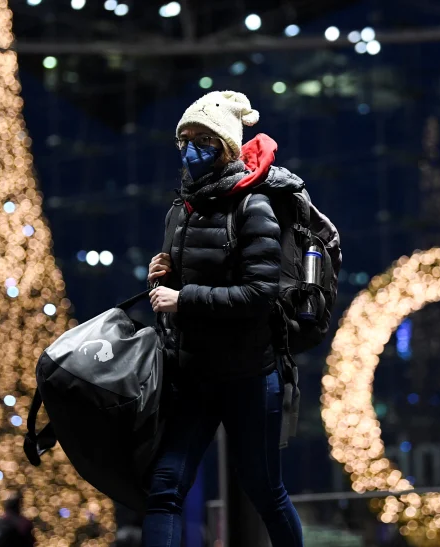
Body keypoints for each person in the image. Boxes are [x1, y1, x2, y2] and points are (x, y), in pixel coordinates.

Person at [144, 90, 303, 547]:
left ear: (228, 148)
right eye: (185, 140)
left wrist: (184, 298)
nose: (192, 149)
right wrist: (160, 277)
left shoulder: (253, 208)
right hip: (193, 375)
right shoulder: (182, 209)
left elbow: (259, 295)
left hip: (249, 376)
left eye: (203, 141)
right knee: (165, 490)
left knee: (266, 493)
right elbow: (177, 286)